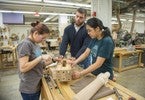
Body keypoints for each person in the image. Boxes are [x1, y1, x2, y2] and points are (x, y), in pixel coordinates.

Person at [17, 21, 54, 100]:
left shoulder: (35, 44)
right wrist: (40, 57)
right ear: (36, 33)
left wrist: (53, 60)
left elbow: (39, 64)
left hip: (36, 84)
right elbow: (23, 68)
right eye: (43, 38)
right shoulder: (25, 44)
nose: (43, 40)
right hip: (29, 88)